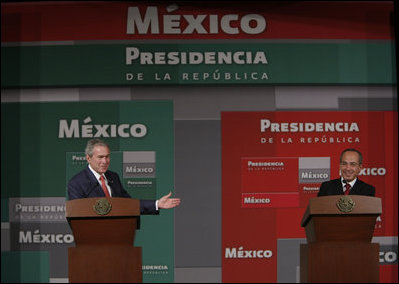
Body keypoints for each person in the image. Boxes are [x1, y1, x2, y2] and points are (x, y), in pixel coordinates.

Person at [68, 139, 181, 214]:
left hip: (118, 236)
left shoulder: (113, 177)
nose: (105, 161)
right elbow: (77, 214)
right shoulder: (77, 183)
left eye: (107, 157)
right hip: (91, 241)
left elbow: (128, 204)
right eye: (100, 157)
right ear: (88, 158)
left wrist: (157, 204)